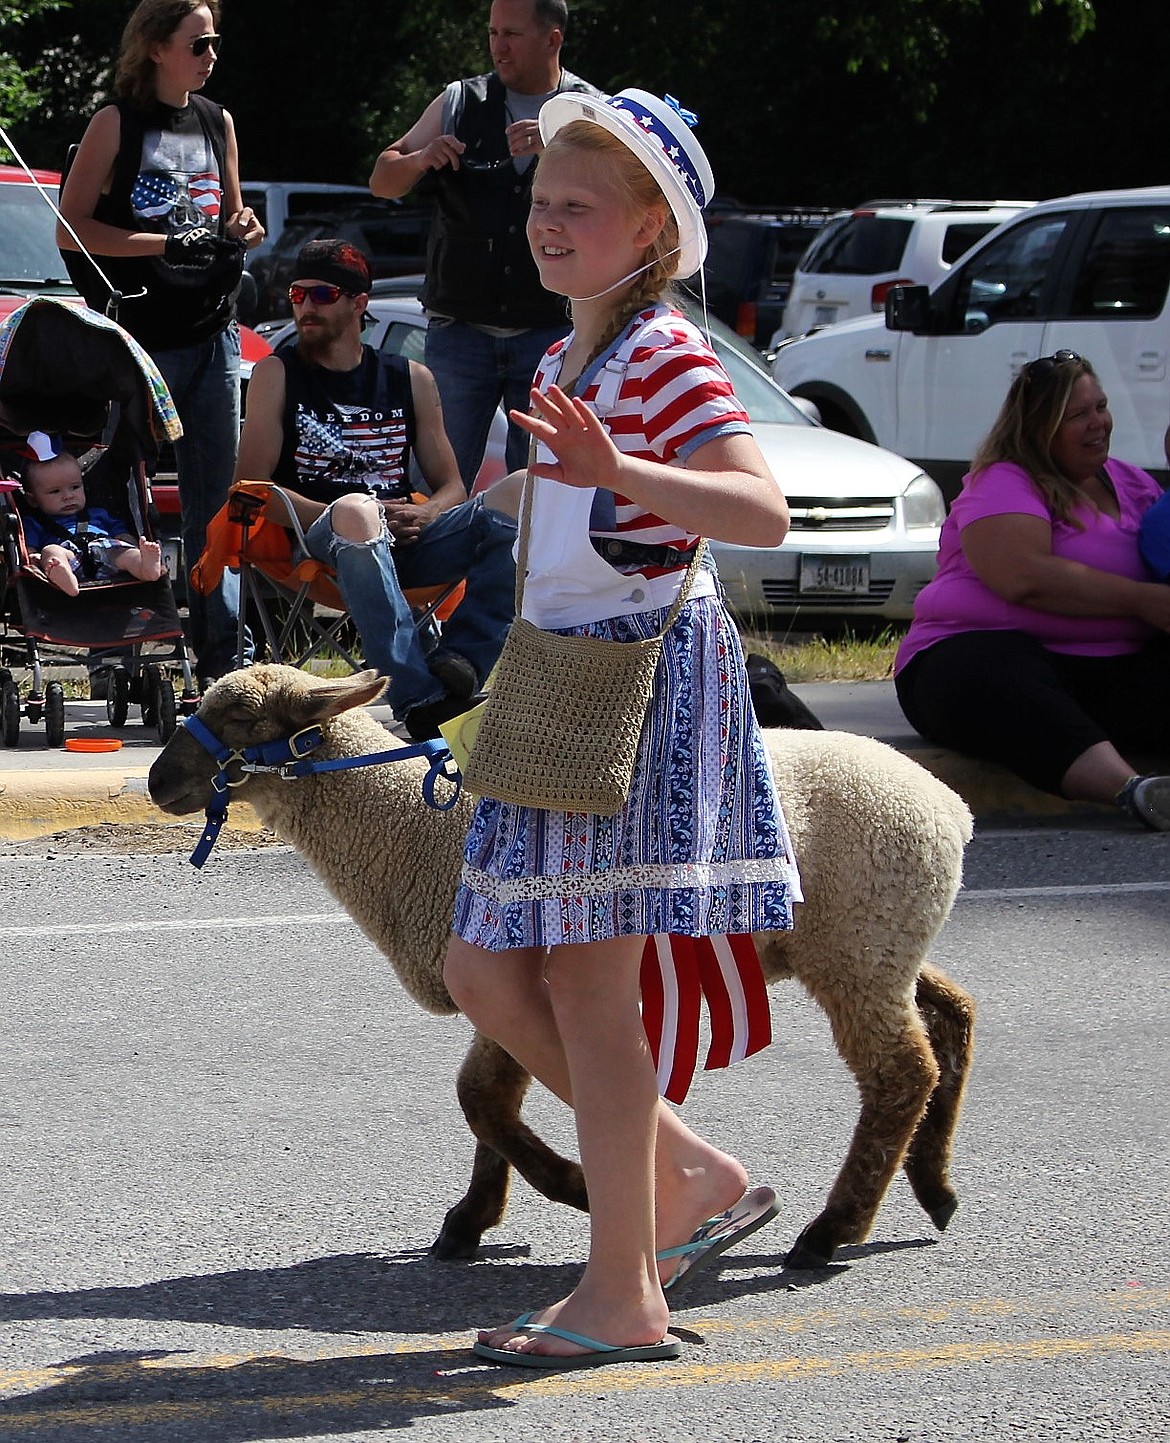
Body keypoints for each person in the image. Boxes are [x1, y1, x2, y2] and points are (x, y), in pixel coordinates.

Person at [441, 90, 801, 1370]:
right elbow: (559, 512)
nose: (546, 224)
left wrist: (618, 475)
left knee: (593, 989)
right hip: (557, 684)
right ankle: (690, 1174)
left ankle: (624, 1293)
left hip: (633, 693)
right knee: (485, 972)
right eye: (540, 203)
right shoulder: (567, 355)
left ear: (652, 229)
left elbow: (758, 512)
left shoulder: (663, 352)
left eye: (577, 208)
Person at [234, 239, 517, 741]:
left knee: (523, 492)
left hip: (406, 541)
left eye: (322, 294)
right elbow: (252, 488)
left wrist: (428, 515)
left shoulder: (410, 377)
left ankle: (463, 661)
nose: (305, 306)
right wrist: (347, 512)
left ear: (358, 303)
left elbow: (451, 485)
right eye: (297, 295)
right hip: (323, 542)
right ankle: (419, 697)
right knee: (356, 511)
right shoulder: (278, 373)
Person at [57, 0, 264, 684]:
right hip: (142, 336)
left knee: (217, 504)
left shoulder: (218, 119)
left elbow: (228, 213)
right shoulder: (117, 121)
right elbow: (72, 229)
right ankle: (115, 652)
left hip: (215, 331)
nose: (211, 55)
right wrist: (163, 241)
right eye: (198, 43)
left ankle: (220, 658)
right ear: (156, 47)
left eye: (215, 42)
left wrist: (241, 224)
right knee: (124, 492)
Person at [894, 350, 1170, 830]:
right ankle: (1136, 792)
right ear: (1038, 427)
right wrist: (1142, 600)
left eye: (1100, 407)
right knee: (1002, 670)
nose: (1098, 424)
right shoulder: (1004, 480)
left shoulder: (1134, 484)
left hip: (1105, 669)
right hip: (971, 663)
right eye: (1077, 416)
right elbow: (1022, 578)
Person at [368, 0, 599, 490]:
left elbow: (622, 198)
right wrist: (422, 159)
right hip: (461, 331)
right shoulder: (459, 101)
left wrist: (560, 143)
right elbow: (383, 179)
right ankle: (429, 570)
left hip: (551, 334)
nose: (499, 47)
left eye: (512, 34)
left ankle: (515, 572)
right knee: (432, 487)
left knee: (542, 489)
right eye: (493, 33)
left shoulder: (588, 112)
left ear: (553, 39)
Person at [15, 431, 163, 596]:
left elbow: (120, 532)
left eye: (75, 487)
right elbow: (28, 548)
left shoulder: (98, 513)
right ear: (33, 500)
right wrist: (33, 556)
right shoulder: (35, 522)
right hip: (68, 554)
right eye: (55, 491)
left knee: (125, 554)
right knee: (50, 551)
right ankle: (63, 576)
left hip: (104, 549)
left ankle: (146, 568)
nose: (68, 496)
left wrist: (129, 541)